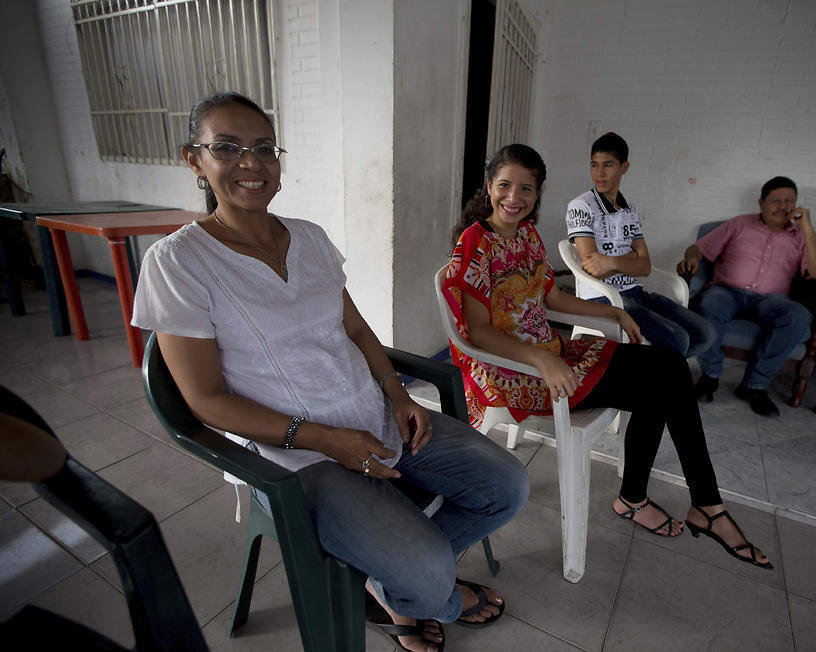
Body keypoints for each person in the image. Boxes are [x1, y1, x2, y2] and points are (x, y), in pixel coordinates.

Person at [131, 91, 529, 652]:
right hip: (294, 456)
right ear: (193, 159)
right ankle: (425, 588)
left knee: (508, 487)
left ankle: (396, 576)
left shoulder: (310, 238)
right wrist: (326, 439)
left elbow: (359, 331)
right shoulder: (177, 263)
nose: (251, 163)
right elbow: (205, 401)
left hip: (373, 415)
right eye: (226, 147)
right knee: (431, 576)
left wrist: (397, 395)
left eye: (265, 148)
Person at [444, 143, 772, 570]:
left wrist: (612, 309)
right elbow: (480, 331)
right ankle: (682, 503)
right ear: (488, 187)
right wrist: (542, 361)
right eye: (504, 185)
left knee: (668, 365)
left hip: (551, 354)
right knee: (663, 379)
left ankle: (685, 502)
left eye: (526, 188)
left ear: (537, 193)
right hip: (517, 373)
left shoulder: (526, 235)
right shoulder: (474, 243)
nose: (514, 197)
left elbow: (551, 296)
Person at [677, 176, 816, 417]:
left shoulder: (802, 236)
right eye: (776, 201)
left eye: (789, 201)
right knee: (709, 301)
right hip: (727, 292)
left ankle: (755, 386)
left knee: (798, 315)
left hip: (771, 300)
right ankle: (710, 376)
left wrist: (807, 228)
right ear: (761, 202)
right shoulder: (739, 224)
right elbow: (698, 247)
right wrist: (693, 257)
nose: (783, 207)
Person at [565, 132, 715, 358]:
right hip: (602, 297)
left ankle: (651, 376)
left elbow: (645, 267)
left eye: (608, 165)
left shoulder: (630, 210)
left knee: (705, 333)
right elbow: (593, 269)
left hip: (634, 291)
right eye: (594, 165)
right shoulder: (581, 206)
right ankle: (656, 381)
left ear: (624, 167)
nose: (599, 173)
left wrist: (611, 262)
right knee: (678, 339)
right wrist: (629, 261)